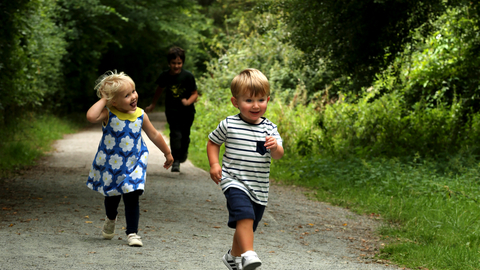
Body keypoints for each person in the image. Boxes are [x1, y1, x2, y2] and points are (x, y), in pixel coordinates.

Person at [206, 69, 284, 270]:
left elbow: (278, 155)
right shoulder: (229, 124)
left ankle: (233, 257)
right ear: (235, 102)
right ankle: (249, 254)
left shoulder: (270, 129)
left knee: (247, 223)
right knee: (244, 215)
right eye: (249, 100)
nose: (256, 105)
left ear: (268, 99)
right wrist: (215, 164)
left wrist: (275, 146)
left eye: (260, 99)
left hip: (259, 187)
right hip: (233, 180)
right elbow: (213, 142)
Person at [86, 70, 174, 247]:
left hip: (134, 164)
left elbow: (155, 135)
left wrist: (167, 152)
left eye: (133, 91)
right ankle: (111, 218)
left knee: (132, 196)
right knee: (111, 198)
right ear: (114, 101)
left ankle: (132, 233)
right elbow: (91, 116)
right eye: (127, 95)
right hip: (112, 165)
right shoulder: (109, 113)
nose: (133, 96)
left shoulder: (141, 115)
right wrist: (104, 99)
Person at [145, 46, 198, 173]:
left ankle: (183, 153)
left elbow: (195, 93)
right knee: (175, 134)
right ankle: (176, 161)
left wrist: (188, 101)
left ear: (182, 63)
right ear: (169, 63)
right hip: (172, 110)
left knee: (185, 135)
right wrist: (153, 104)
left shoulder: (188, 76)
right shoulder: (165, 76)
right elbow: (159, 89)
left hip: (187, 112)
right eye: (173, 63)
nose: (176, 66)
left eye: (179, 63)